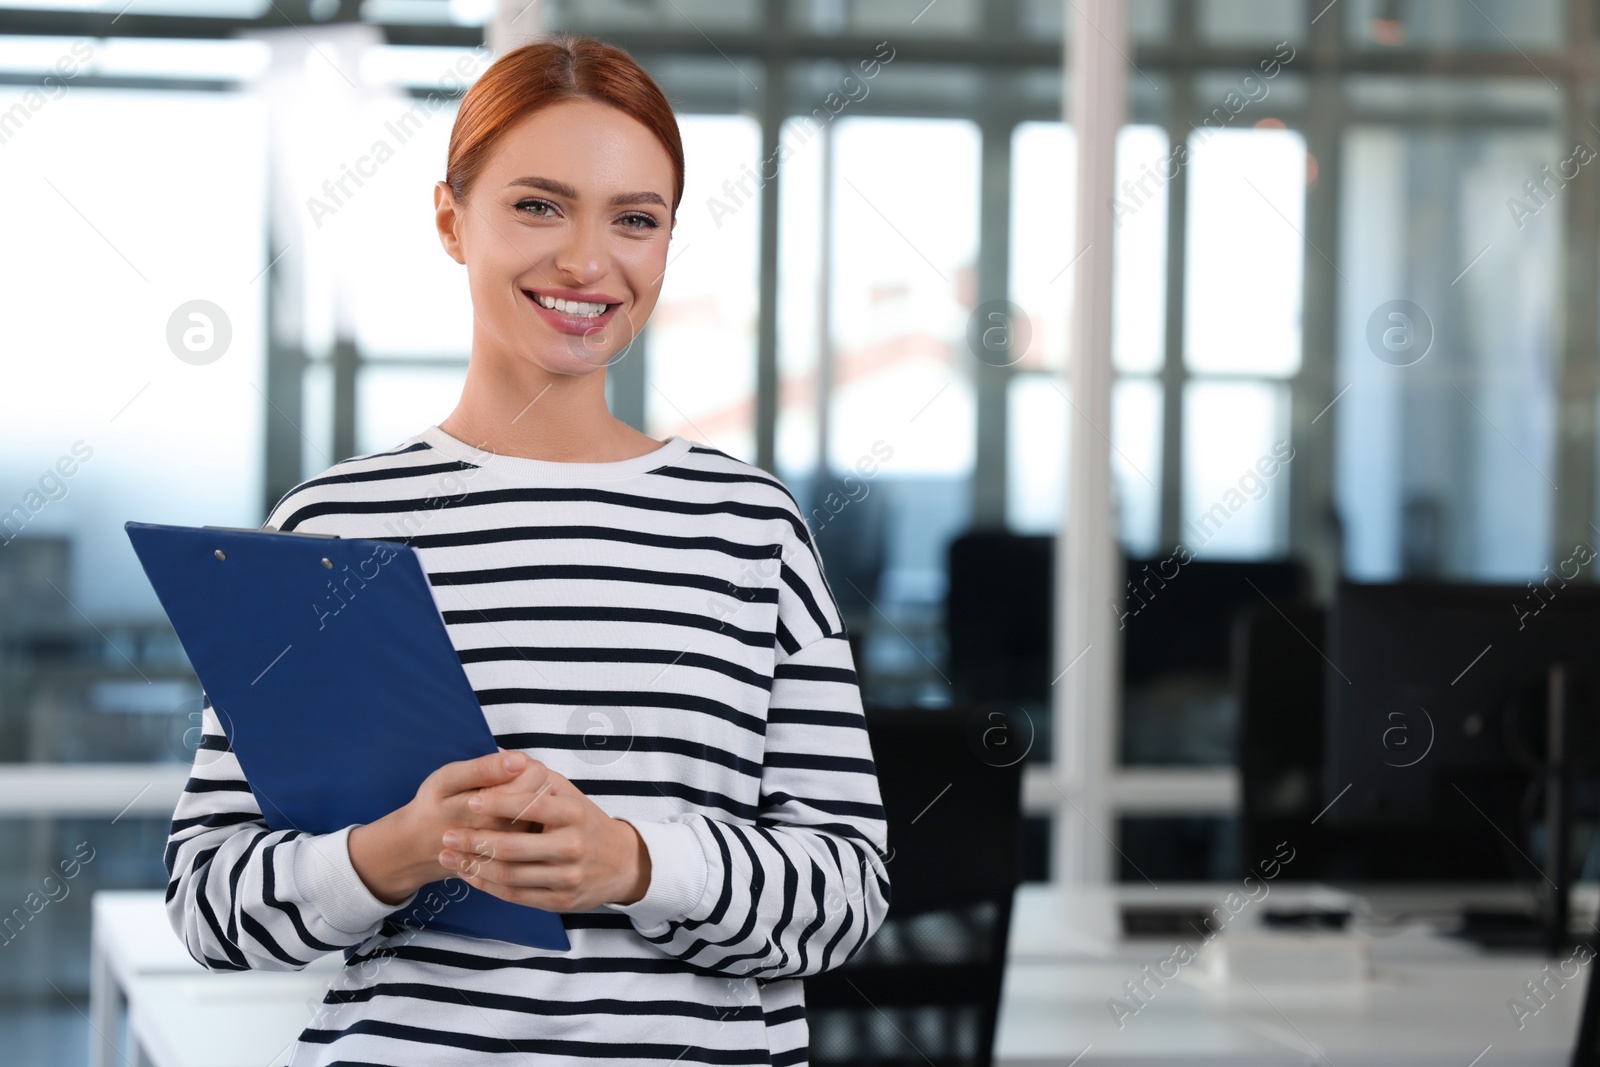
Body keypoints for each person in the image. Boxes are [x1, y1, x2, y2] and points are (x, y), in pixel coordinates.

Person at [163, 32, 891, 1066]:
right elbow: (210, 903)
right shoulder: (334, 525)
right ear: (451, 220)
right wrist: (394, 852)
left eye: (634, 220)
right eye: (538, 204)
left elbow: (846, 895)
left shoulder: (752, 529)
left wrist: (635, 864)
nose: (588, 261)